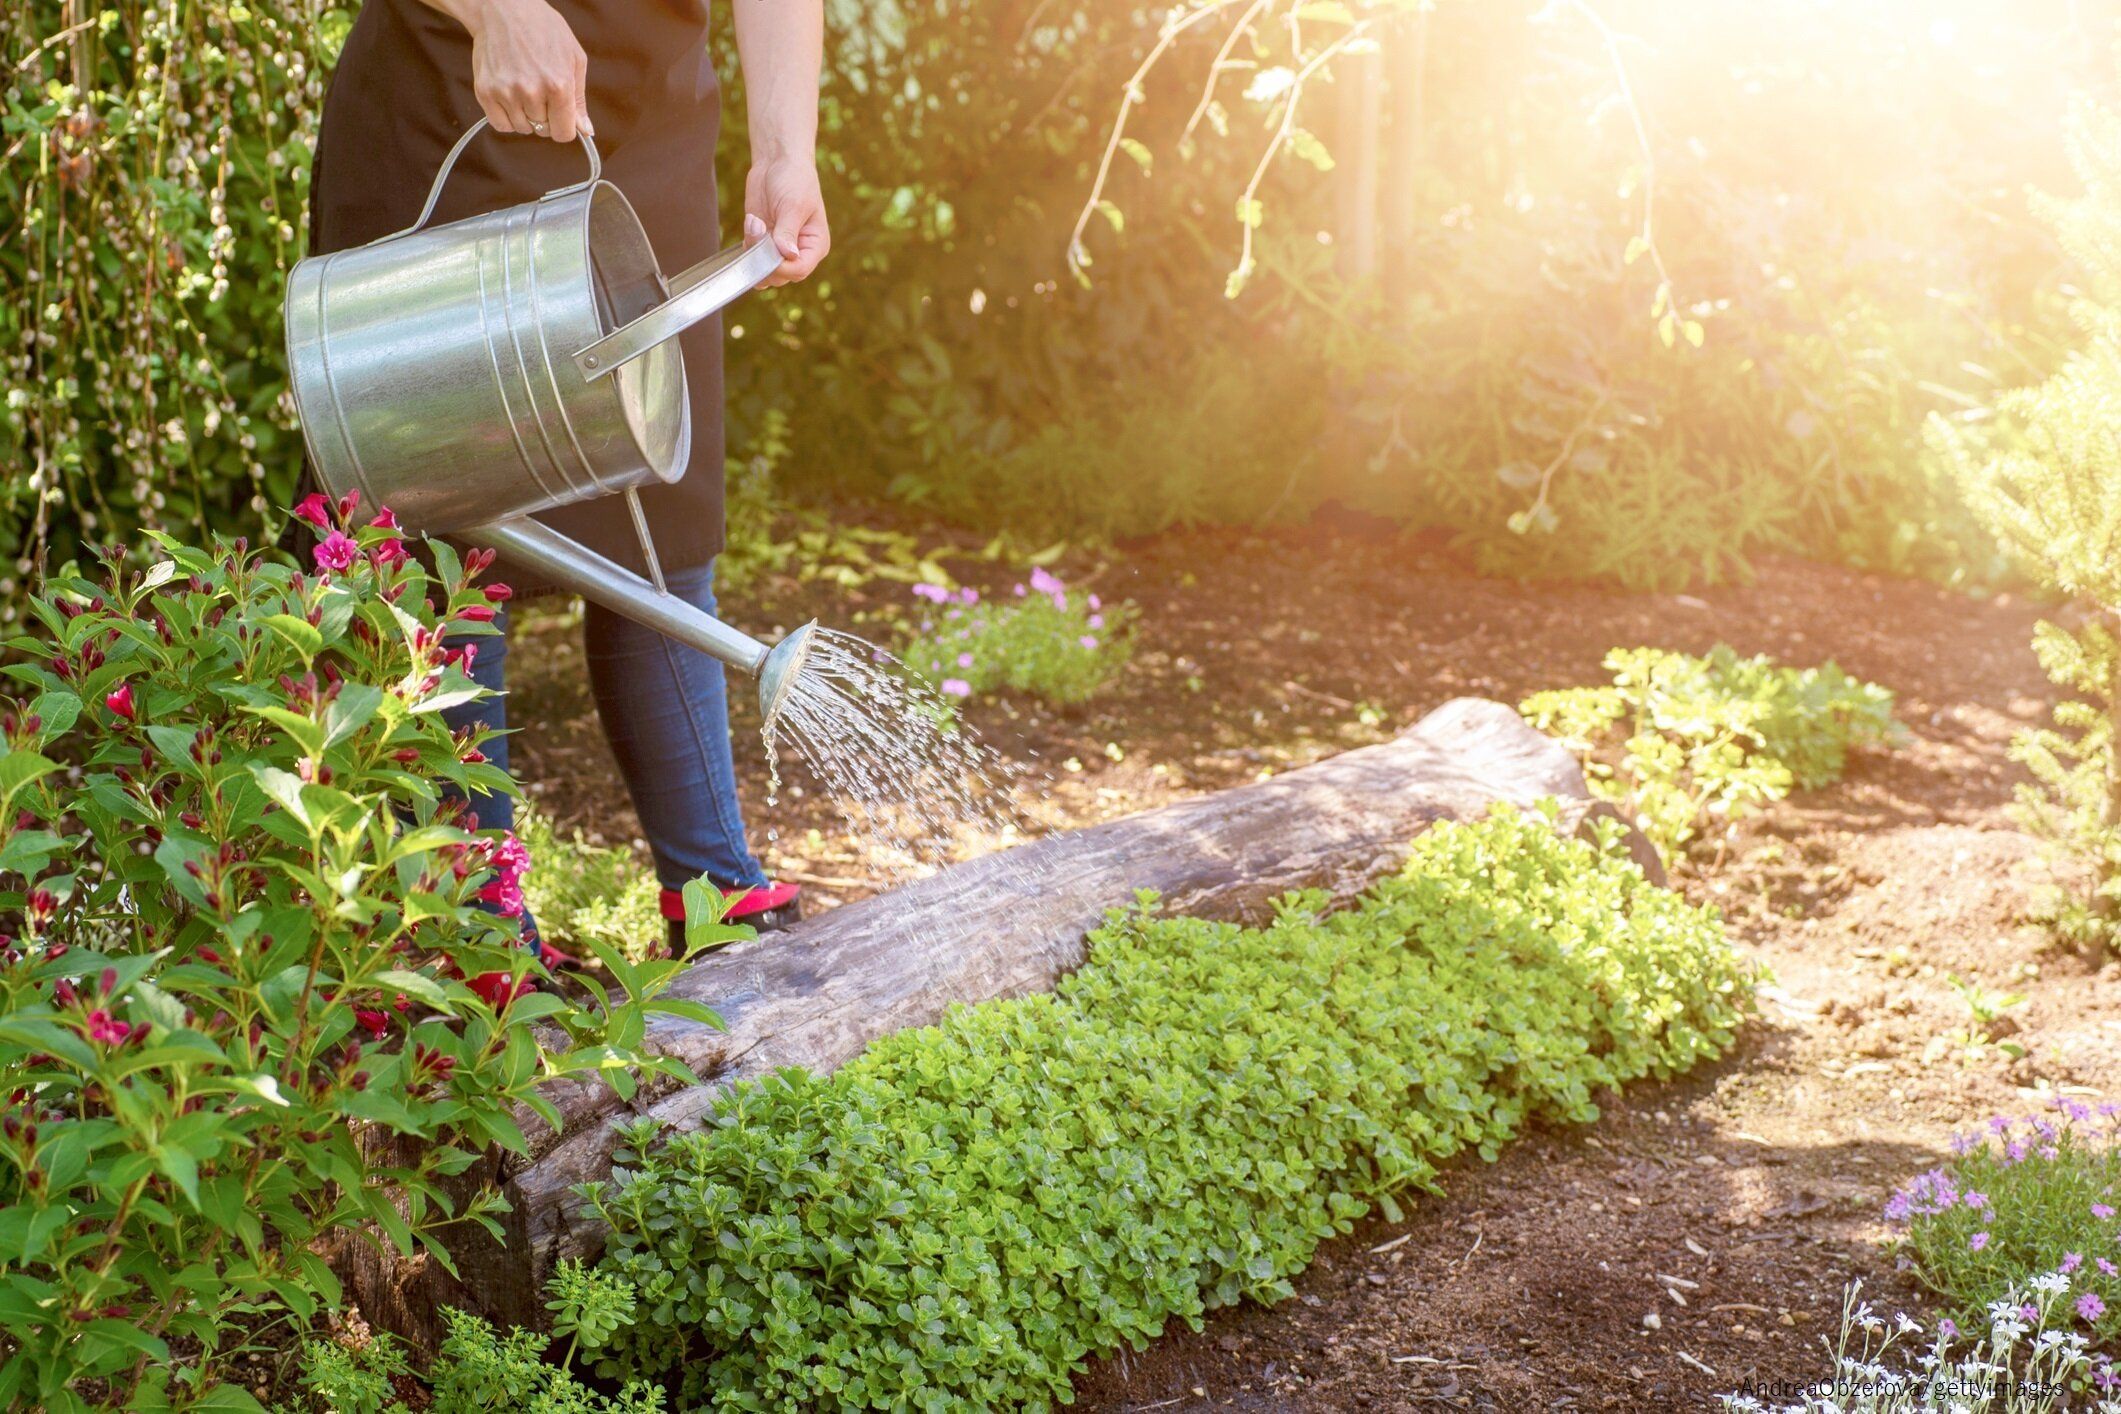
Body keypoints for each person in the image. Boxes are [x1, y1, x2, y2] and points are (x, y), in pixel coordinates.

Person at [309, 0, 829, 950]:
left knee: (661, 492)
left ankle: (711, 891)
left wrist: (788, 148)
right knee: (452, 514)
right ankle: (477, 928)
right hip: (452, 91)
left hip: (647, 116)